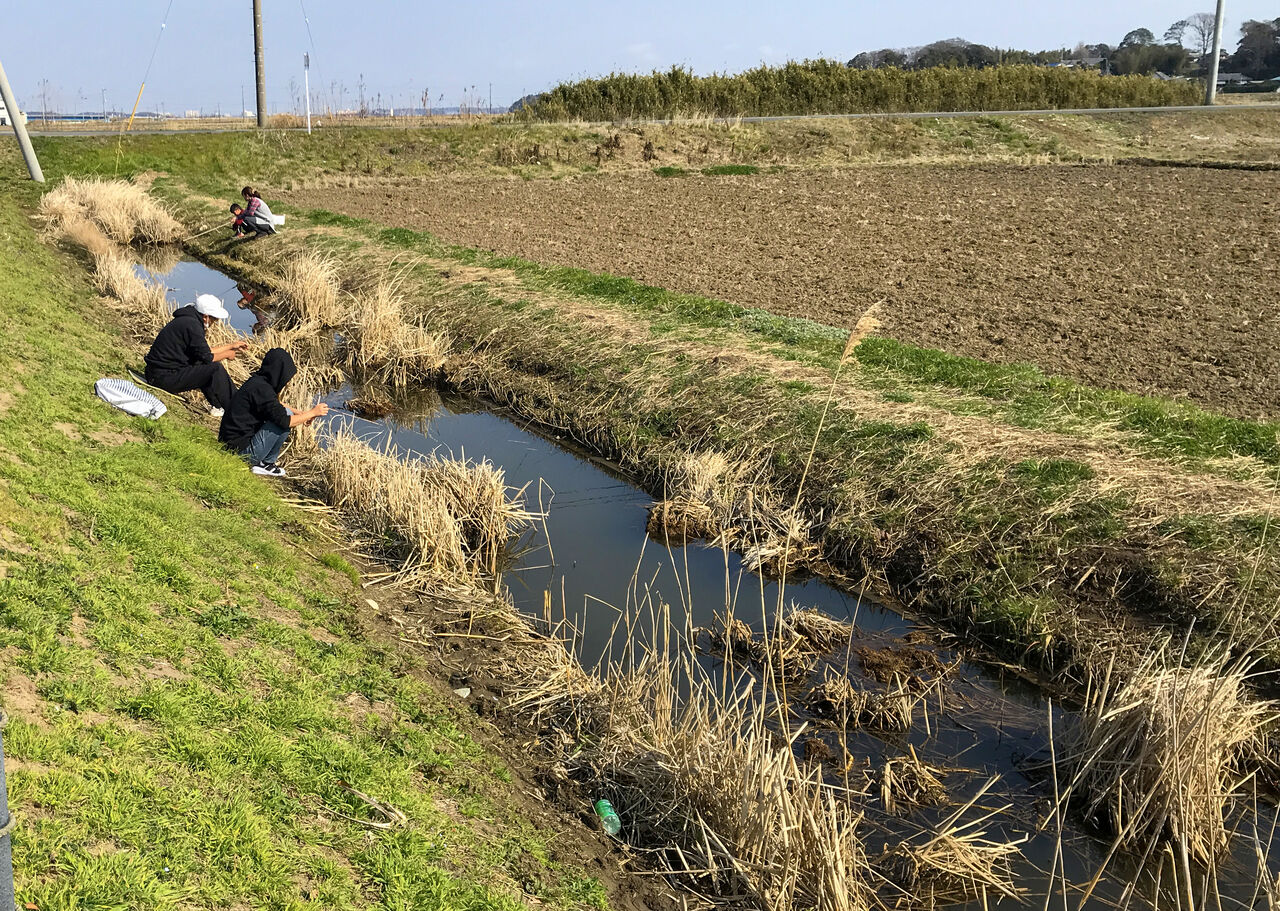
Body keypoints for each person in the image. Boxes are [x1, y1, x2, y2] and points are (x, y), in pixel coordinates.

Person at [218, 348, 328, 478]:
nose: (286, 382)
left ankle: (265, 463)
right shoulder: (263, 390)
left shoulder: (257, 383)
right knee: (283, 420)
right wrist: (312, 413)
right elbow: (285, 421)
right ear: (278, 372)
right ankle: (265, 463)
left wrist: (299, 413)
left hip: (230, 444)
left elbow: (275, 406)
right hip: (241, 453)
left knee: (286, 412)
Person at [143, 293, 247, 417]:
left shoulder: (188, 320)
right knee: (215, 368)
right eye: (215, 319)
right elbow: (208, 358)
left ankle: (218, 407)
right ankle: (238, 410)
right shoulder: (192, 326)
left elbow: (204, 352)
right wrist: (227, 354)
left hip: (157, 373)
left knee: (203, 366)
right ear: (206, 317)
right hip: (161, 378)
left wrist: (231, 346)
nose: (216, 322)